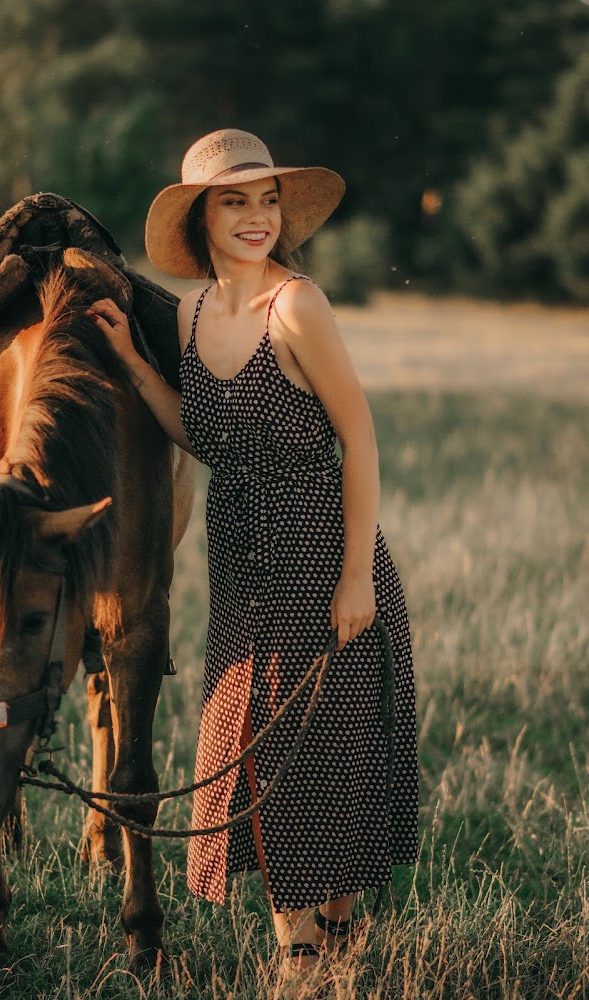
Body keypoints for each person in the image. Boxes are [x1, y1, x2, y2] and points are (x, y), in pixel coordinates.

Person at [88, 128, 418, 980]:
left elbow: (360, 440)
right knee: (252, 748)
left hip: (321, 551)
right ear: (201, 214)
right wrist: (130, 359)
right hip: (240, 567)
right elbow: (198, 433)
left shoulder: (295, 305)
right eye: (235, 200)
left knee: (329, 751)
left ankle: (318, 948)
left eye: (267, 200)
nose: (256, 217)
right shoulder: (191, 312)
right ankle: (301, 941)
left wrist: (354, 578)